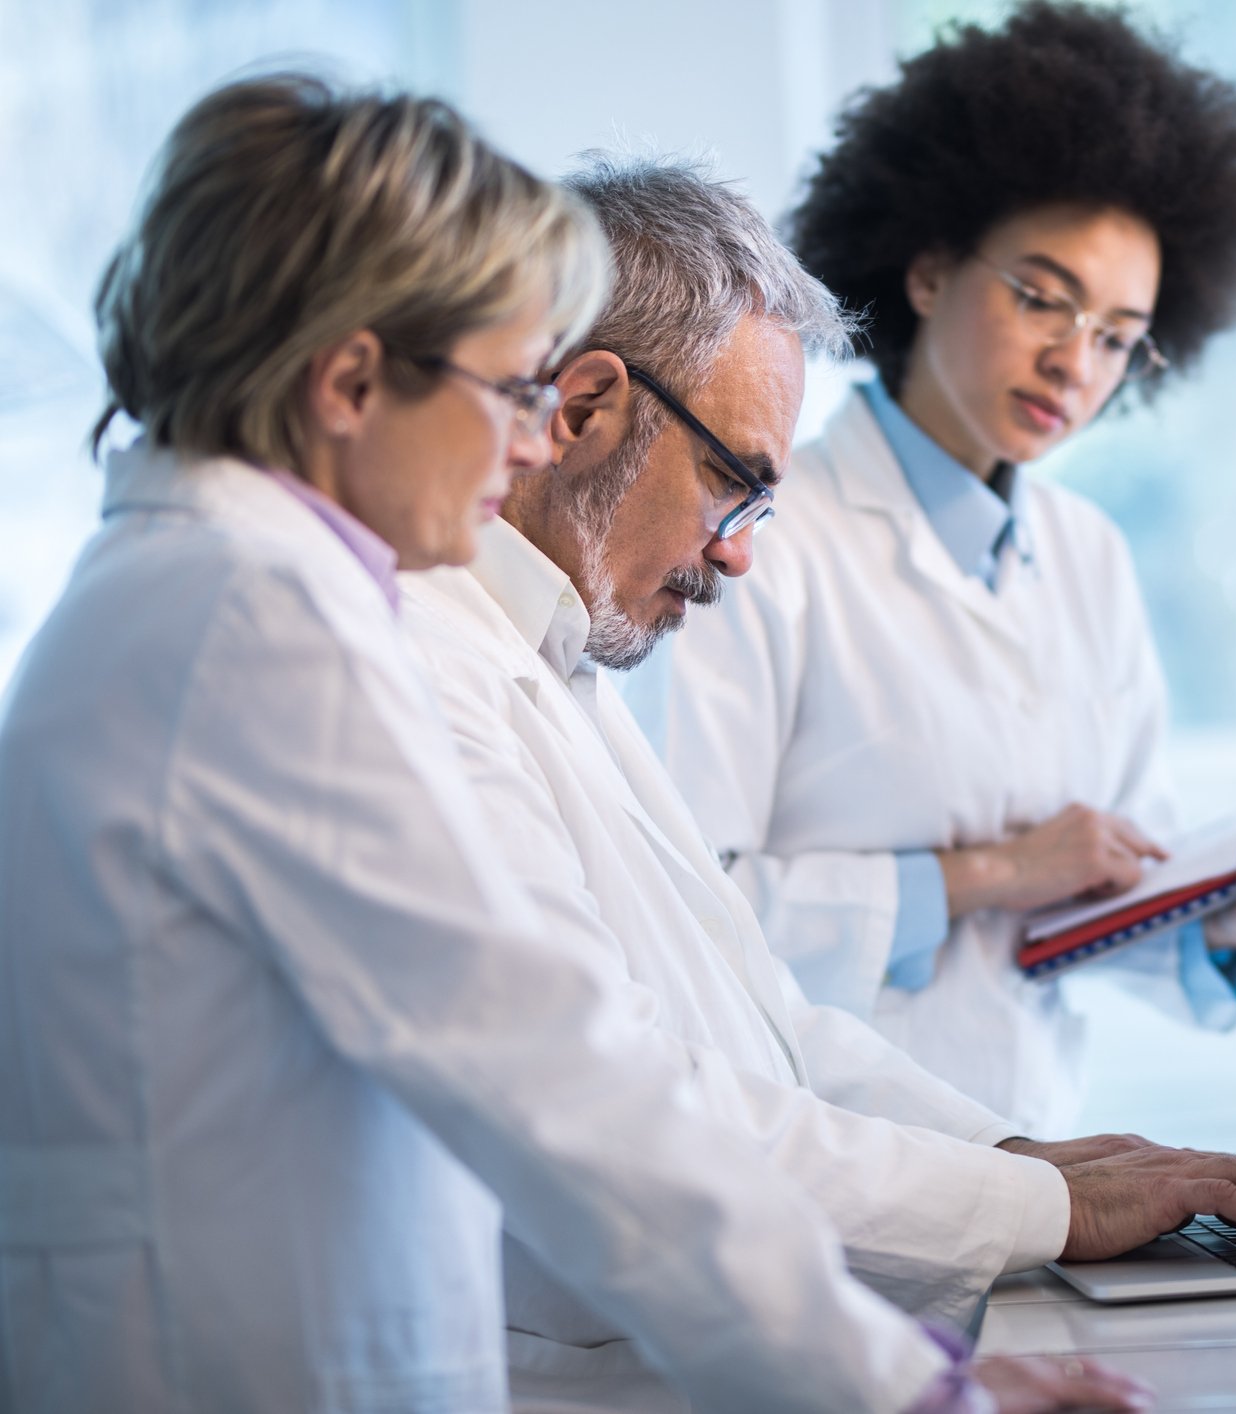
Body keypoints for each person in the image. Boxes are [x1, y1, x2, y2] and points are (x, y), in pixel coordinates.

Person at [0, 75, 1176, 1414]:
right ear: (349, 382)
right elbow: (565, 1086)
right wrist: (914, 1391)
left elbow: (730, 1034)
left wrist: (1016, 1193)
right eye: (508, 386)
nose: (525, 441)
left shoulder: (212, 593)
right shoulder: (261, 623)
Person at [396, 152, 1236, 1412]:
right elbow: (631, 1103)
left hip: (836, 1251)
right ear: (579, 412)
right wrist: (1031, 1198)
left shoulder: (564, 651)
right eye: (734, 484)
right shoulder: (447, 661)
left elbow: (762, 1019)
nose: (735, 559)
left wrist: (1024, 1158)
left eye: (1118, 334)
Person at [648, 1, 1236, 1133]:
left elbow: (1098, 901)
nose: (1074, 363)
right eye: (1044, 296)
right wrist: (986, 872)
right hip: (823, 1179)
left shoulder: (1088, 559)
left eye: (1119, 335)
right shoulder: (756, 536)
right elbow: (684, 913)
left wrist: (1234, 918)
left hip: (1039, 1169)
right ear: (929, 270)